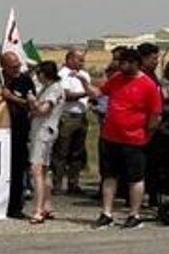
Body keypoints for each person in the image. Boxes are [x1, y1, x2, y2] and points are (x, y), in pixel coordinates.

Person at [93, 48, 162, 229]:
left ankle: (134, 214)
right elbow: (99, 93)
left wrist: (148, 134)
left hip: (134, 139)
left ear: (135, 64)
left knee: (135, 178)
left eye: (125, 63)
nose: (121, 66)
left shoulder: (148, 85)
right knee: (109, 176)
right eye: (120, 62)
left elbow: (155, 114)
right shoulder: (116, 79)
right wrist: (85, 84)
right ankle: (106, 213)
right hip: (110, 136)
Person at [0, 51, 34, 219]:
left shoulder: (25, 80)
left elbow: (31, 105)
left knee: (17, 170)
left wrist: (12, 98)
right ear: (3, 66)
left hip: (19, 131)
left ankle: (15, 206)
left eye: (18, 65)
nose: (17, 69)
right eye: (13, 67)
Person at [51, 49, 94, 195]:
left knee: (77, 152)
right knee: (62, 151)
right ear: (69, 59)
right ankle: (57, 183)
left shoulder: (85, 75)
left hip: (81, 115)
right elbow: (66, 95)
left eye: (83, 60)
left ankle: (73, 183)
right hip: (67, 115)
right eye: (78, 59)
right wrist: (86, 92)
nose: (81, 62)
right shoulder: (63, 75)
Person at [27, 59, 64, 224]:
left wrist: (32, 102)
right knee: (44, 170)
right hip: (40, 130)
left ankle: (38, 210)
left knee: (37, 170)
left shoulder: (54, 89)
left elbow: (43, 110)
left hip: (44, 132)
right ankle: (47, 205)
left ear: (44, 74)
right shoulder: (46, 88)